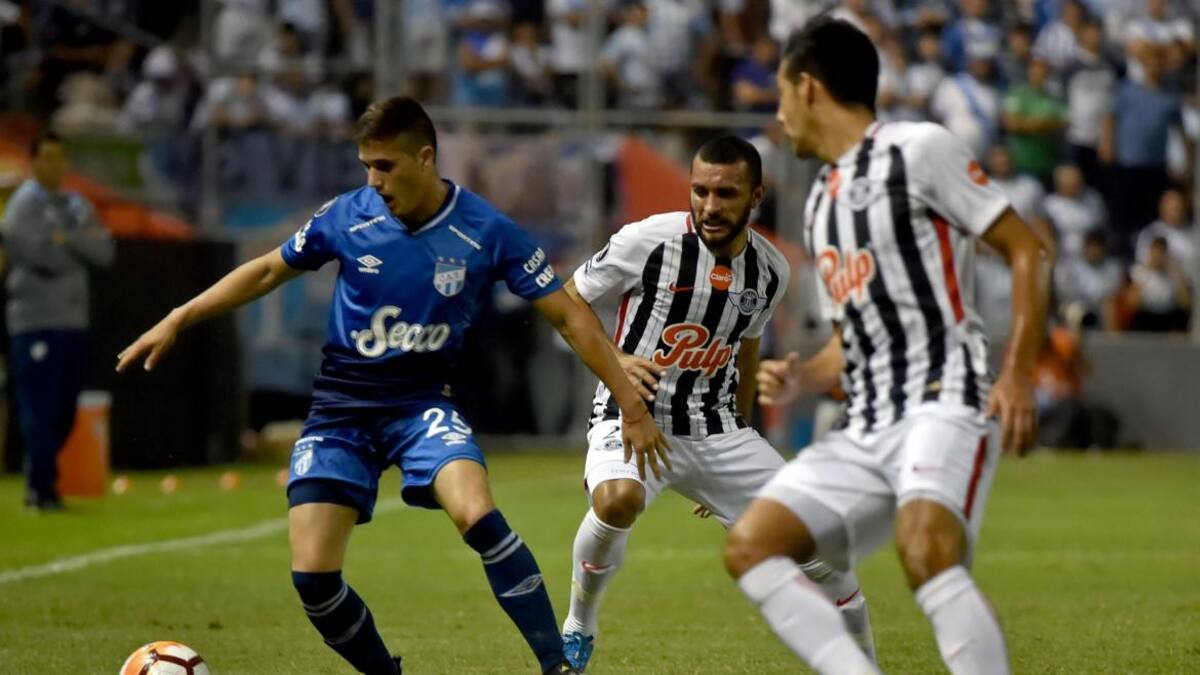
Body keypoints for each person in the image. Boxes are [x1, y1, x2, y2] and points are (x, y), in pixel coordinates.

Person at [116, 96, 668, 675]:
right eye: (366, 166)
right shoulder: (346, 216)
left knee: (477, 514)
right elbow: (268, 270)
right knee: (313, 580)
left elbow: (568, 316)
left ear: (425, 158)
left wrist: (629, 403)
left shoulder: (485, 228)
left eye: (385, 166)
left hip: (422, 407)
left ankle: (557, 666)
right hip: (340, 411)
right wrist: (179, 316)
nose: (373, 181)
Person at [723, 18, 1052, 675]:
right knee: (751, 544)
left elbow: (1028, 250)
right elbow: (848, 344)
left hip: (943, 398)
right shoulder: (820, 205)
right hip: (865, 425)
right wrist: (802, 377)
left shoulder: (919, 148)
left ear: (808, 87)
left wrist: (1016, 372)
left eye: (781, 93)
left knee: (926, 550)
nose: (778, 114)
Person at [558, 136, 875, 672]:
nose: (709, 206)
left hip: (716, 426)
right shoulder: (648, 240)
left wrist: (734, 452)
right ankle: (577, 627)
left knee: (822, 545)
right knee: (617, 500)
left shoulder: (771, 270)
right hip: (631, 413)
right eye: (700, 191)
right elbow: (567, 301)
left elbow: (746, 349)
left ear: (756, 196)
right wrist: (620, 365)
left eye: (726, 193)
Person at [1, 131, 114, 511]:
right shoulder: (22, 206)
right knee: (40, 406)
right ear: (34, 162)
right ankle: (40, 487)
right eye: (46, 157)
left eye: (59, 157)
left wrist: (66, 239)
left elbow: (104, 251)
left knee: (65, 408)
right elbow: (41, 257)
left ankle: (43, 476)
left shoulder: (76, 204)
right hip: (35, 321)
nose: (54, 164)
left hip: (73, 321)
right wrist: (74, 244)